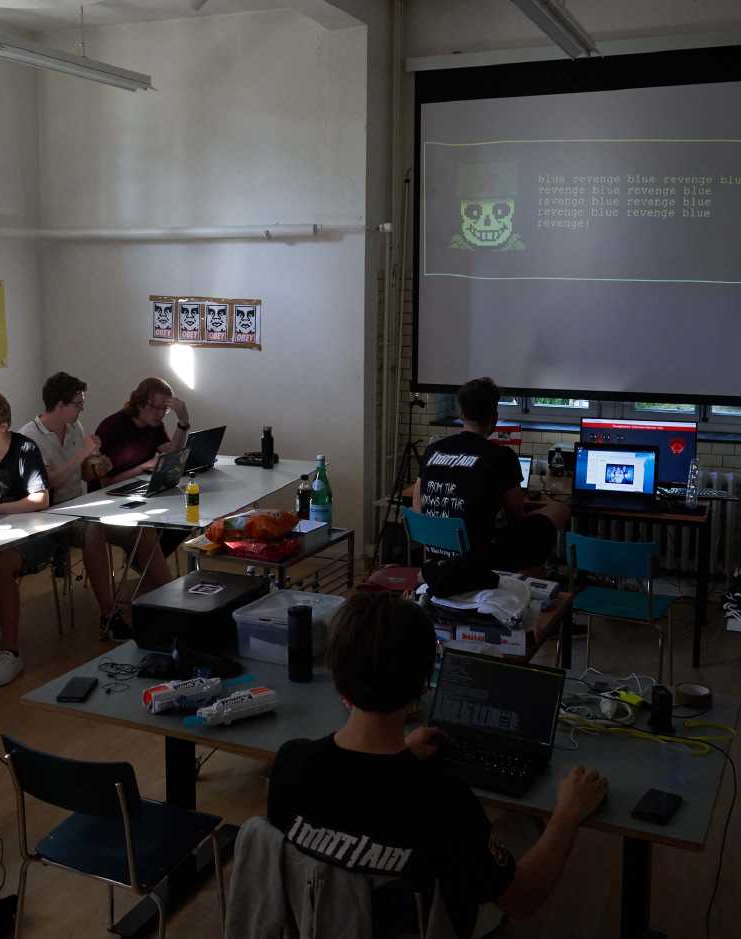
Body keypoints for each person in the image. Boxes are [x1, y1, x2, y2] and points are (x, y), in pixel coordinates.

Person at [267, 592, 607, 937]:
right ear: (424, 685)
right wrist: (567, 814)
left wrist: (403, 755)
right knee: (512, 837)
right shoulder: (446, 804)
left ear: (336, 674)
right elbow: (523, 898)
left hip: (316, 923)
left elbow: (355, 812)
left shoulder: (291, 763)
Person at [17, 371, 135, 639]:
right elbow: (50, 484)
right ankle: (109, 615)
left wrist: (97, 468)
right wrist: (83, 453)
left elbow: (82, 474)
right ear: (60, 405)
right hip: (49, 515)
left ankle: (165, 602)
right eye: (78, 404)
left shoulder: (74, 428)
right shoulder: (29, 437)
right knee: (95, 530)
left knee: (138, 523)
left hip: (78, 507)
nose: (82, 408)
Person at [412, 377, 569, 569]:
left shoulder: (433, 450)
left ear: (461, 414)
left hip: (435, 556)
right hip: (479, 559)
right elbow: (516, 517)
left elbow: (418, 508)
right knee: (560, 509)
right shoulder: (502, 456)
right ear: (494, 416)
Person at [0, 391, 62, 687]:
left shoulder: (25, 449)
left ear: (5, 425)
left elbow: (41, 500)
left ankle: (10, 652)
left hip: (34, 531)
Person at [87, 376, 193, 599]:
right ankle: (153, 575)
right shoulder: (113, 427)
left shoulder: (153, 425)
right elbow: (106, 483)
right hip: (107, 498)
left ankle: (144, 565)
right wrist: (143, 467)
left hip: (136, 490)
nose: (160, 414)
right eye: (157, 408)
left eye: (165, 410)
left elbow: (172, 453)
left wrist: (183, 422)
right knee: (156, 523)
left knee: (185, 517)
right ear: (141, 403)